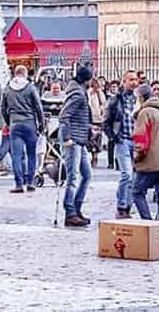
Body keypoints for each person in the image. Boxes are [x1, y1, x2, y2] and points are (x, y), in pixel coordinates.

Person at [131, 83, 159, 221]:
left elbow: (141, 139)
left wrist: (137, 158)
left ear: (141, 98)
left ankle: (148, 223)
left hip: (150, 161)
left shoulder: (144, 113)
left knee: (137, 192)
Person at [0, 65, 44, 194]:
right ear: (24, 74)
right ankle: (30, 182)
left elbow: (3, 108)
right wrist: (40, 123)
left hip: (15, 124)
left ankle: (19, 184)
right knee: (31, 154)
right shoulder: (30, 87)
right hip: (30, 123)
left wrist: (8, 122)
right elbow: (38, 106)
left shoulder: (7, 89)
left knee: (17, 156)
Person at [59, 65, 93, 228]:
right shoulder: (78, 94)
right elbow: (64, 115)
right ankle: (70, 212)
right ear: (87, 79)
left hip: (80, 138)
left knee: (87, 175)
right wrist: (67, 138)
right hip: (73, 140)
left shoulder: (78, 91)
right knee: (73, 177)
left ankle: (76, 207)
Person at [104, 70, 138, 218]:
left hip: (137, 141)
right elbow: (106, 122)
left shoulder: (140, 99)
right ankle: (121, 204)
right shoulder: (115, 100)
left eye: (135, 79)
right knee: (127, 174)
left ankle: (128, 205)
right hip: (122, 139)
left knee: (135, 176)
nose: (134, 82)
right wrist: (113, 137)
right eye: (130, 79)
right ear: (123, 82)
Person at [87, 78, 106, 167]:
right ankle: (92, 154)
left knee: (97, 138)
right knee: (91, 138)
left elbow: (104, 103)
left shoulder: (100, 93)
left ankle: (95, 156)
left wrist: (102, 111)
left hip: (98, 119)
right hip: (90, 118)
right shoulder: (89, 92)